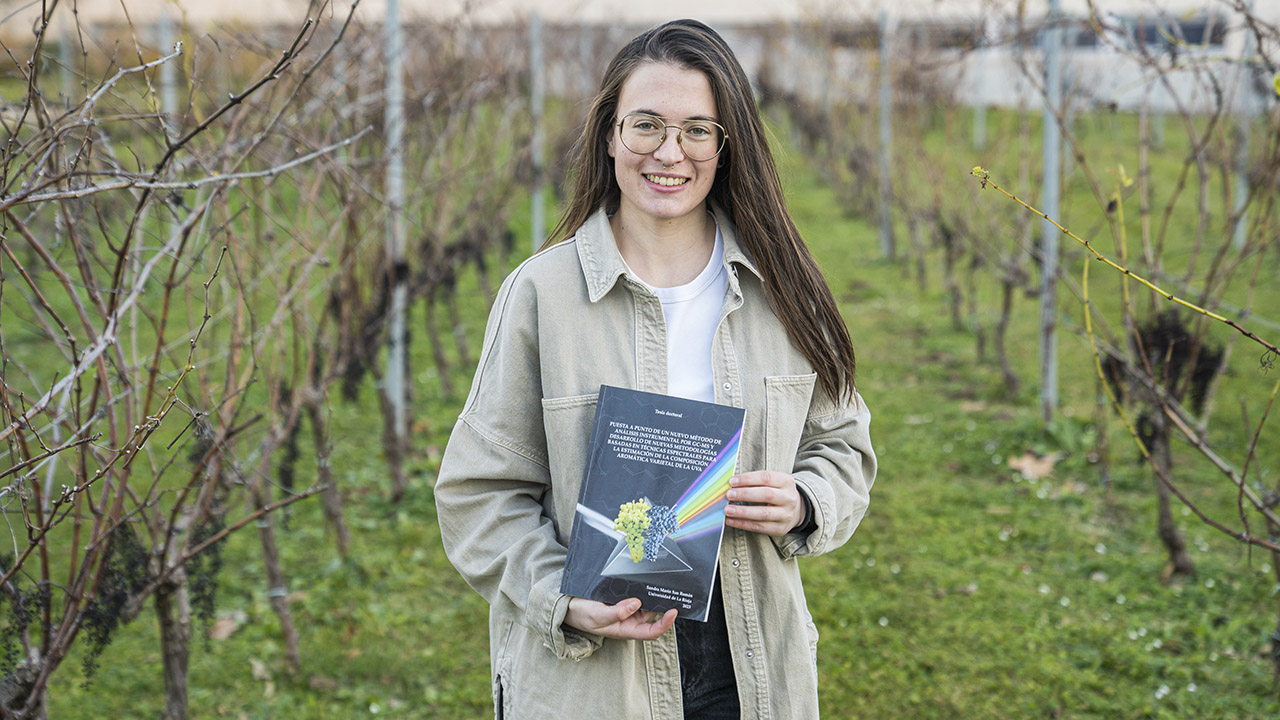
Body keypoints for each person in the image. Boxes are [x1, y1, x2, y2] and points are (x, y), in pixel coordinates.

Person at [435, 19, 877, 719]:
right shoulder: (541, 295)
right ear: (610, 134)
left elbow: (844, 446)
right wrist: (564, 598)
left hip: (752, 666)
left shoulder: (783, 290)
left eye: (698, 130)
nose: (670, 152)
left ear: (727, 147)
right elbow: (478, 495)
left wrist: (805, 500)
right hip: (596, 681)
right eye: (646, 125)